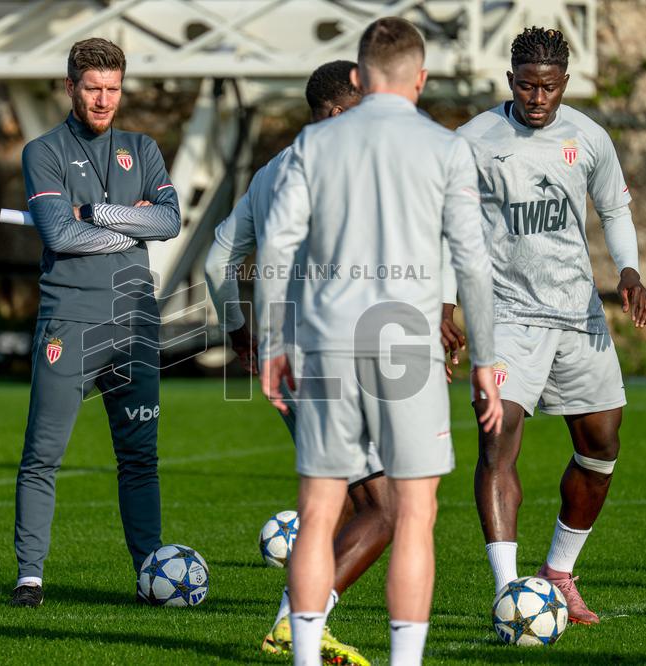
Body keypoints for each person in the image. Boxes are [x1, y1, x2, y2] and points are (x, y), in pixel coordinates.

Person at [258, 17, 502, 665]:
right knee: (414, 514)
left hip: (326, 345)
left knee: (318, 510)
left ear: (360, 79)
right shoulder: (446, 150)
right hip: (407, 347)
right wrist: (488, 360)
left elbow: (277, 248)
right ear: (419, 80)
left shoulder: (313, 145)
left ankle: (305, 655)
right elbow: (473, 263)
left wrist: (272, 344)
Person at [456, 26, 646, 624]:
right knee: (498, 438)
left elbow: (614, 208)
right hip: (507, 317)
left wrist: (629, 270)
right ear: (509, 80)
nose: (536, 99)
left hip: (577, 316)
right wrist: (448, 307)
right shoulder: (473, 140)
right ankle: (507, 591)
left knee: (601, 448)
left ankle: (558, 572)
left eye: (548, 88)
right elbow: (450, 228)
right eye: (525, 86)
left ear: (564, 83)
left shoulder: (588, 136)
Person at [205, 60, 377, 666]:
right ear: (335, 112)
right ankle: (298, 625)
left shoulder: (271, 172)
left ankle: (298, 627)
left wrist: (244, 336)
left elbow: (215, 264)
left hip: (290, 363)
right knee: (384, 508)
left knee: (345, 502)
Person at [11, 37, 181, 607]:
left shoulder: (144, 147)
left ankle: (150, 573)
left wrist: (98, 214)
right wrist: (132, 225)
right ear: (70, 88)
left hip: (136, 323)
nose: (104, 100)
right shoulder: (44, 151)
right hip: (72, 322)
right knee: (42, 455)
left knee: (140, 459)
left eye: (112, 89)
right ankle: (30, 577)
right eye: (92, 89)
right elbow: (61, 235)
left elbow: (171, 221)